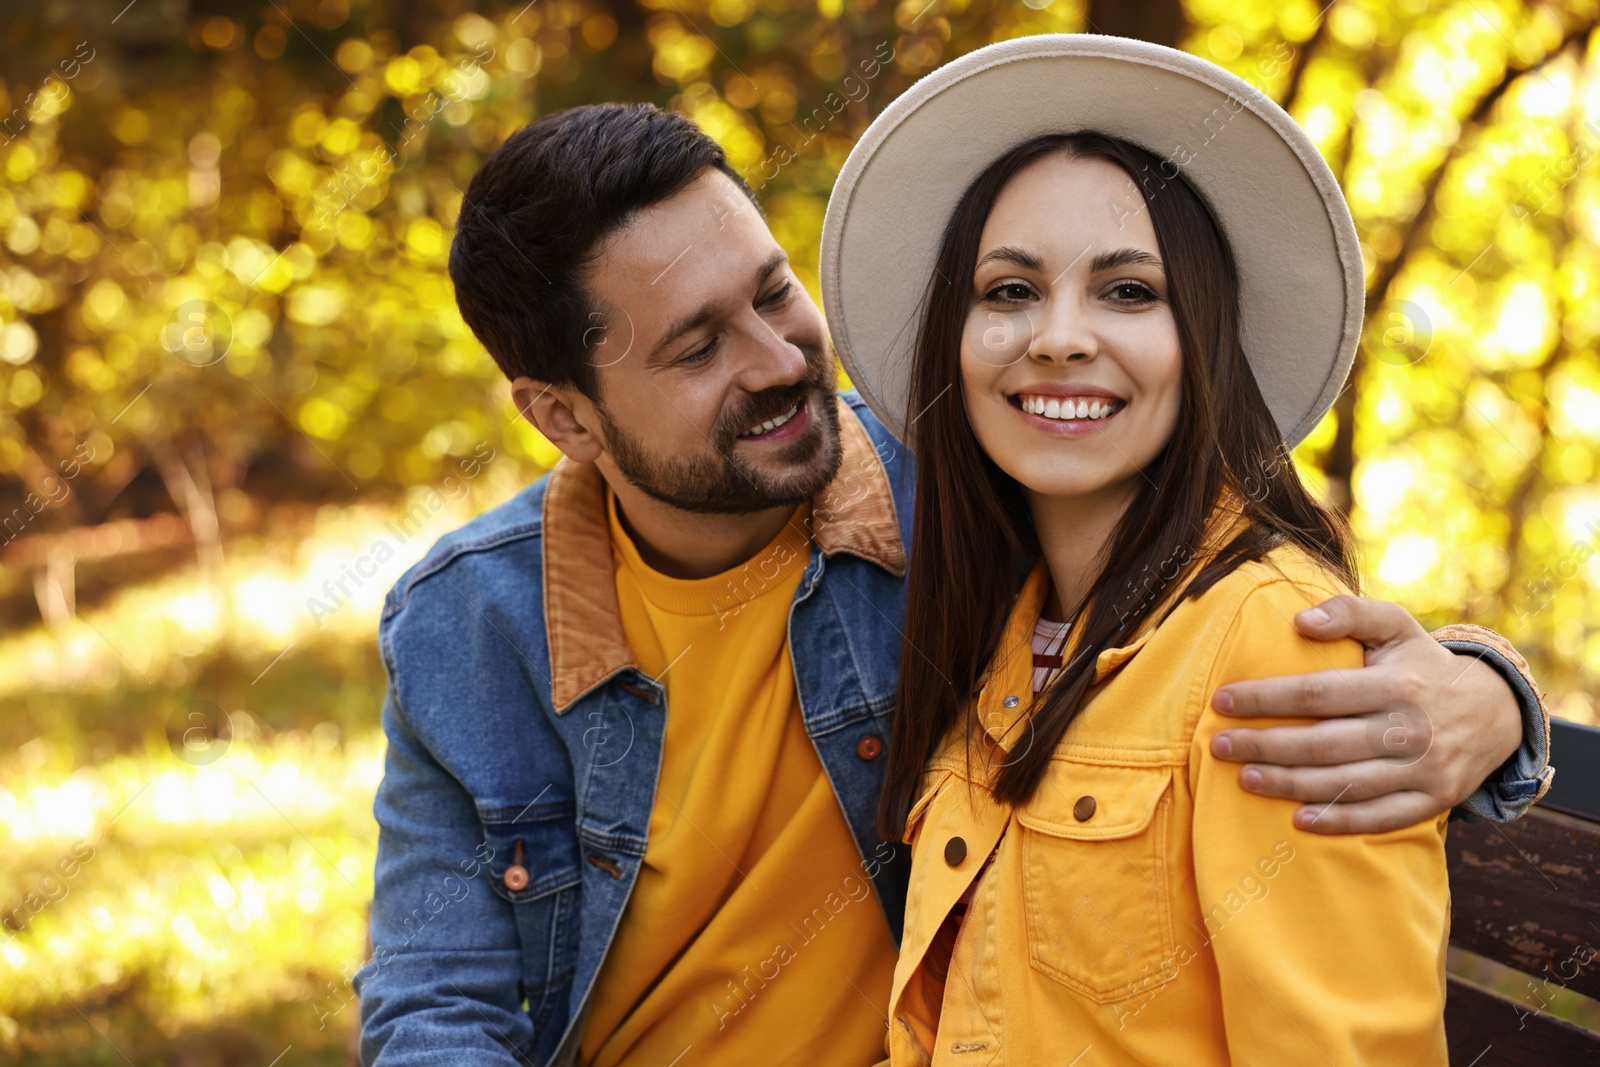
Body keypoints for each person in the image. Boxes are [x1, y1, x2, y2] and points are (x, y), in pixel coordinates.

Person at [354, 90, 1551, 1065]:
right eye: (698, 345)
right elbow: (434, 1004)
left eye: (773, 290)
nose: (781, 361)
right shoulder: (472, 627)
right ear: (564, 416)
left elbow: (1231, 591)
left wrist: (1486, 691)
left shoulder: (959, 489)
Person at [818, 36, 1478, 1064]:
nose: (1058, 337)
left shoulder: (1273, 638)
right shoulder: (998, 625)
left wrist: (1493, 684)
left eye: (1127, 291)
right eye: (1008, 291)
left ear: (1201, 337)